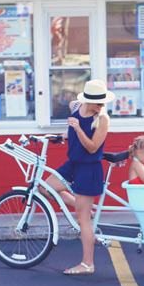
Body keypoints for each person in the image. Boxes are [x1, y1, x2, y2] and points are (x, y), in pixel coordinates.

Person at [44, 79, 115, 275]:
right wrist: (65, 135)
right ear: (87, 100)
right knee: (45, 188)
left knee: (82, 219)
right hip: (72, 164)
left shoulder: (102, 119)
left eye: (103, 102)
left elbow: (92, 148)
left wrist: (77, 129)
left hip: (89, 168)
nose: (101, 105)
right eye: (98, 102)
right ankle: (83, 207)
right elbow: (72, 114)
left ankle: (87, 264)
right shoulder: (76, 106)